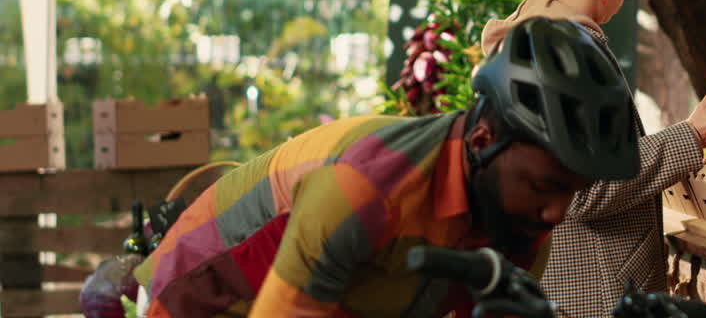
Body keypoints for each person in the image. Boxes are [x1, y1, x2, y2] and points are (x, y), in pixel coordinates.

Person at [134, 18, 640, 318]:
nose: (557, 212)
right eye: (543, 186)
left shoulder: (523, 221)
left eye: (573, 191)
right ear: (484, 140)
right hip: (201, 296)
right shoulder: (364, 190)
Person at [481, 0, 706, 318]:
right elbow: (586, 188)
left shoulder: (533, 36)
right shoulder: (565, 52)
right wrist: (691, 135)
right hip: (593, 295)